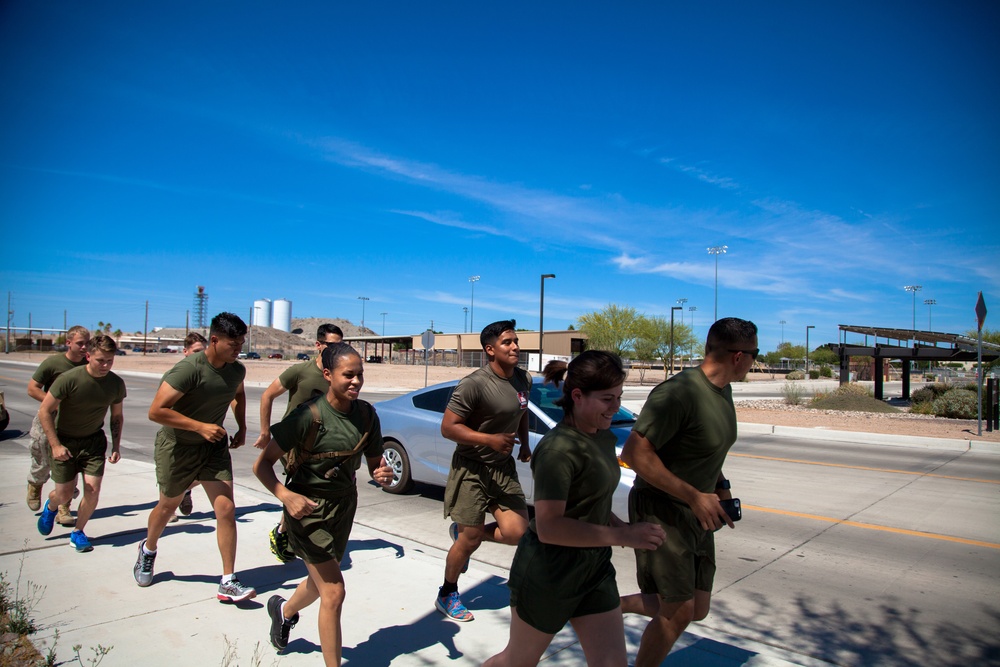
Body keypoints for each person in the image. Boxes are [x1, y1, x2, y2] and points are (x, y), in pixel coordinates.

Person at [484, 352, 666, 667]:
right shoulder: (558, 449)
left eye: (619, 398)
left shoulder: (602, 437)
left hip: (594, 570)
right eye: (607, 399)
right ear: (578, 396)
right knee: (517, 661)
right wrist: (624, 536)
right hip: (549, 574)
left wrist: (621, 528)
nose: (615, 407)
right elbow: (551, 527)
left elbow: (590, 501)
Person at [620, 317, 758, 666]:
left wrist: (720, 487)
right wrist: (694, 495)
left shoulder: (722, 390)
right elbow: (634, 454)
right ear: (738, 356)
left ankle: (607, 604)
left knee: (697, 607)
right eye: (756, 354)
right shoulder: (677, 393)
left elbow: (703, 450)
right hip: (662, 509)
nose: (757, 361)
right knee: (678, 610)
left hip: (697, 509)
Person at [253, 342, 394, 666]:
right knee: (334, 590)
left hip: (344, 507)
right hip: (306, 509)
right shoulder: (308, 416)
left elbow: (375, 464)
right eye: (348, 375)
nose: (356, 381)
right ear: (328, 374)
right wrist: (285, 496)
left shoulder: (367, 415)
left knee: (319, 584)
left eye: (360, 375)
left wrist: (382, 473)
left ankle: (284, 612)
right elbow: (262, 465)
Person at [133, 312, 256, 603]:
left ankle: (228, 580)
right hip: (178, 447)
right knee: (167, 507)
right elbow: (156, 411)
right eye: (232, 344)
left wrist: (241, 426)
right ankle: (148, 550)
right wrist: (199, 426)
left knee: (226, 509)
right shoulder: (188, 370)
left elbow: (238, 395)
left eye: (241, 343)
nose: (238, 349)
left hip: (213, 447)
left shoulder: (236, 370)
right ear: (214, 340)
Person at [436, 319, 532, 622]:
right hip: (472, 470)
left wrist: (525, 444)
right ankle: (447, 592)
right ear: (490, 350)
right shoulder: (474, 384)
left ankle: (466, 534)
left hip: (503, 469)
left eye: (516, 341)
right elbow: (448, 428)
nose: (515, 347)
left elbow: (522, 411)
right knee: (470, 539)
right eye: (507, 342)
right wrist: (489, 439)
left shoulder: (523, 378)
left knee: (519, 532)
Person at [252, 324, 344, 562]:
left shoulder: (337, 375)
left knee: (304, 492)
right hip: (291, 443)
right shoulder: (300, 371)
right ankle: (286, 534)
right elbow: (267, 395)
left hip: (320, 447)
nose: (337, 350)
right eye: (332, 345)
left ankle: (286, 531)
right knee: (301, 489)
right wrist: (264, 431)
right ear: (318, 345)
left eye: (341, 346)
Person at [36, 335, 127, 552]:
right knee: (65, 493)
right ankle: (51, 507)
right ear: (88, 357)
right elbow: (45, 411)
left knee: (92, 490)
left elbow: (116, 417)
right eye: (100, 360)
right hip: (64, 441)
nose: (105, 365)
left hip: (93, 442)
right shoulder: (68, 379)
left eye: (110, 361)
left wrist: (116, 446)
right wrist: (55, 445)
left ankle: (78, 532)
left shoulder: (116, 384)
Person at [26, 325, 90, 524]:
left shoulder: (88, 366)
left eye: (87, 343)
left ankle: (64, 507)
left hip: (72, 423)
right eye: (80, 343)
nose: (84, 347)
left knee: (70, 464)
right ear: (68, 343)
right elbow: (32, 388)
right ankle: (35, 485)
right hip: (48, 419)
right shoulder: (53, 363)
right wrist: (52, 402)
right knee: (43, 460)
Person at [169, 331, 209, 522]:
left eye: (204, 351)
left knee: (207, 474)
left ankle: (185, 490)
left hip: (204, 436)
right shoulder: (179, 374)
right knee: (172, 477)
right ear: (185, 351)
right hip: (178, 436)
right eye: (196, 351)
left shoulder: (210, 373)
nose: (201, 355)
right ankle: (168, 510)